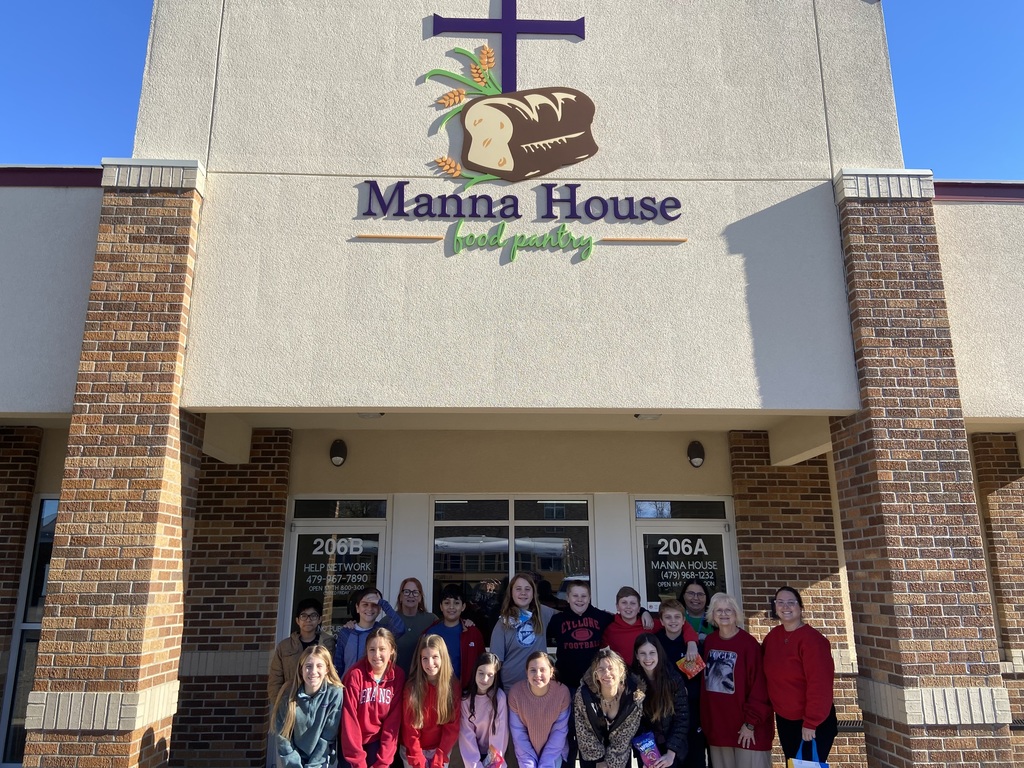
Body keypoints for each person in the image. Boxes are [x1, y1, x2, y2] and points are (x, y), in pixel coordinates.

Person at [548, 580, 653, 768]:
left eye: (584, 596)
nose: (579, 600)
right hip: (569, 686)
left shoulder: (601, 618)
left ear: (590, 598)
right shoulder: (557, 620)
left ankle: (608, 763)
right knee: (571, 734)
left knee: (605, 733)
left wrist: (644, 610)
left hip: (596, 687)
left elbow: (625, 613)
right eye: (575, 596)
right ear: (568, 598)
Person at [761, 586, 837, 763]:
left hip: (811, 722)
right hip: (786, 719)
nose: (785, 607)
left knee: (808, 766)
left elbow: (820, 685)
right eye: (780, 602)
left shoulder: (813, 641)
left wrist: (811, 722)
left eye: (790, 602)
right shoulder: (772, 637)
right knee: (793, 764)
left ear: (800, 607)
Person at [700, 594, 773, 768]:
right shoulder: (709, 642)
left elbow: (760, 687)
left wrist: (750, 723)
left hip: (747, 730)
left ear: (736, 614)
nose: (723, 614)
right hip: (718, 728)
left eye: (728, 610)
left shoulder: (749, 644)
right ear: (712, 614)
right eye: (719, 610)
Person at [340, 627, 406, 768]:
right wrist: (358, 763)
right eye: (372, 649)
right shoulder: (355, 675)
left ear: (392, 650)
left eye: (382, 649)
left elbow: (393, 723)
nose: (377, 655)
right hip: (353, 745)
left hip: (378, 742)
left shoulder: (398, 676)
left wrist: (383, 762)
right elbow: (349, 721)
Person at [272, 645, 344, 768]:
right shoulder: (288, 694)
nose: (313, 672)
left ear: (327, 669)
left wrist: (313, 765)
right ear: (301, 669)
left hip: (319, 760)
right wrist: (294, 764)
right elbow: (283, 737)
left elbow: (327, 737)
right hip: (290, 759)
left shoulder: (335, 693)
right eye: (308, 666)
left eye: (319, 666)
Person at [573, 648, 645, 768]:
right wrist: (599, 761)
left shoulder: (633, 698)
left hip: (619, 758)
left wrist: (610, 763)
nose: (606, 674)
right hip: (591, 757)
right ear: (595, 675)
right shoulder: (584, 695)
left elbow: (624, 737)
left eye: (611, 668)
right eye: (601, 669)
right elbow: (583, 732)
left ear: (621, 671)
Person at [656, 599, 705, 768]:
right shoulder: (655, 643)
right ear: (661, 621)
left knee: (695, 758)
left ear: (684, 620)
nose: (673, 621)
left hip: (691, 711)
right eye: (668, 617)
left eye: (677, 617)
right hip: (665, 711)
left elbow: (700, 679)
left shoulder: (693, 646)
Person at [402, 634, 462, 768]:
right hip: (414, 750)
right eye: (425, 658)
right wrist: (418, 758)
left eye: (435, 657)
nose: (430, 664)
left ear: (443, 658)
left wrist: (440, 756)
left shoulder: (453, 686)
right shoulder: (411, 687)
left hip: (440, 749)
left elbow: (452, 727)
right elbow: (409, 728)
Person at [490, 573, 557, 692]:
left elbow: (569, 615)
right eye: (518, 589)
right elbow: (495, 662)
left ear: (533, 593)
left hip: (539, 685)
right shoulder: (503, 623)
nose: (523, 593)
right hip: (511, 688)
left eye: (527, 589)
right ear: (511, 593)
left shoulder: (543, 613)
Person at [631, 634, 688, 768]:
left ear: (659, 653)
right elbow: (632, 721)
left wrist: (671, 754)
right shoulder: (631, 682)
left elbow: (682, 719)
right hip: (645, 749)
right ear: (637, 655)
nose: (648, 658)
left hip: (672, 752)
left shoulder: (673, 679)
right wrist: (645, 755)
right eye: (643, 653)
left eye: (652, 652)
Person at [603, 587, 698, 666]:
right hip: (622, 678)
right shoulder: (609, 628)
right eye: (624, 603)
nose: (628, 606)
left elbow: (680, 624)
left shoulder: (649, 624)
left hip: (648, 676)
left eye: (633, 603)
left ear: (639, 607)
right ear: (617, 606)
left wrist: (691, 643)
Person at [508, 651, 571, 768]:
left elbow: (559, 732)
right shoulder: (516, 693)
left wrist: (545, 764)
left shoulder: (562, 692)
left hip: (554, 755)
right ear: (526, 672)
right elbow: (518, 734)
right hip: (524, 755)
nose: (537, 674)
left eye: (543, 670)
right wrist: (528, 764)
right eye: (532, 670)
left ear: (551, 672)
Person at [269, 598, 338, 701]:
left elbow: (334, 674)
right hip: (291, 701)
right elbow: (275, 679)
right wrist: (280, 704)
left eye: (313, 616)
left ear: (320, 619)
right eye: (304, 616)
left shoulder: (328, 644)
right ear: (297, 620)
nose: (308, 620)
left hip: (321, 702)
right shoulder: (285, 646)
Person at [336, 587, 407, 676]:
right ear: (357, 608)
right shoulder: (346, 632)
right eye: (365, 604)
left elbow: (400, 627)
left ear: (379, 609)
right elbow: (338, 664)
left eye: (374, 604)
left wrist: (382, 603)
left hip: (372, 687)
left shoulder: (381, 633)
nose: (369, 608)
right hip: (347, 686)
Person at [426, 584, 486, 684]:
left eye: (456, 603)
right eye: (447, 603)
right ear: (441, 606)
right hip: (437, 690)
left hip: (465, 693)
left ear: (463, 607)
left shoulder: (472, 633)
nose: (451, 607)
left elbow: (483, 662)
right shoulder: (431, 633)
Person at [459, 652, 508, 768]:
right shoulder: (466, 700)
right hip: (474, 756)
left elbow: (499, 735)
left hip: (494, 757)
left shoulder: (499, 698)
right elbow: (467, 736)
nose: (484, 679)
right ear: (474, 672)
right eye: (481, 673)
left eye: (490, 675)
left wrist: (492, 764)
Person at [396, 578, 439, 675]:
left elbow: (448, 627)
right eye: (406, 592)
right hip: (395, 679)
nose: (411, 595)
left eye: (415, 592)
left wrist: (464, 622)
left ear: (420, 598)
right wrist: (353, 624)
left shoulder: (431, 620)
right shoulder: (389, 620)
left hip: (422, 679)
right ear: (401, 597)